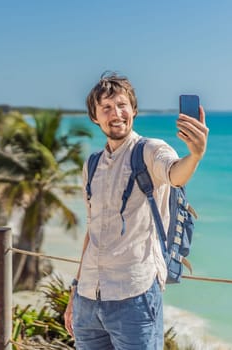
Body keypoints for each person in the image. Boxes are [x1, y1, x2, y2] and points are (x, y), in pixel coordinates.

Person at [64, 72, 209, 350]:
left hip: (134, 296)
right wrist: (74, 292)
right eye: (106, 108)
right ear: (95, 117)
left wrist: (195, 155)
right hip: (87, 300)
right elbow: (92, 232)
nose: (115, 113)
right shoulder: (92, 164)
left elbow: (175, 173)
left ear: (134, 110)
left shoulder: (151, 150)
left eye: (121, 105)